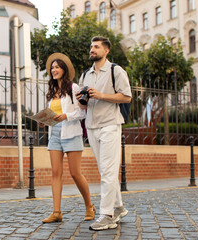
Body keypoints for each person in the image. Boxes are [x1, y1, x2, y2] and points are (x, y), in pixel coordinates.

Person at [76, 36, 132, 231]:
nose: (92, 49)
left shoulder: (116, 71)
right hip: (92, 125)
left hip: (110, 124)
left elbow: (126, 96)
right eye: (91, 46)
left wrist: (101, 95)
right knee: (104, 170)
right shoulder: (85, 75)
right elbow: (83, 103)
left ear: (106, 51)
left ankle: (106, 214)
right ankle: (118, 207)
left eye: (97, 47)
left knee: (108, 171)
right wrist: (82, 98)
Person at [41, 53, 95, 223]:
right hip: (55, 134)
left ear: (64, 69)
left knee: (75, 173)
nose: (54, 70)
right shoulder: (51, 92)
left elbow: (81, 111)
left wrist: (66, 116)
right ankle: (56, 212)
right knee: (56, 173)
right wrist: (44, 120)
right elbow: (52, 113)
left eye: (57, 67)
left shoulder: (74, 88)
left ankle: (89, 205)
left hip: (71, 133)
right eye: (52, 67)